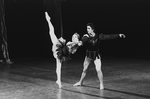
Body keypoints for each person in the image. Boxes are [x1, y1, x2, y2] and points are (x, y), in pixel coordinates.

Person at [73, 22, 125, 89]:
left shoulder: (98, 36)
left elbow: (108, 37)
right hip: (88, 56)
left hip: (96, 55)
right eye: (87, 28)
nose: (87, 30)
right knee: (85, 69)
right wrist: (80, 43)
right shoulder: (86, 36)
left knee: (98, 69)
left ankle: (101, 84)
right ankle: (80, 82)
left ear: (93, 29)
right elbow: (83, 41)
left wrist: (119, 35)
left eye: (89, 28)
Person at [45, 12, 80, 88]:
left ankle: (48, 20)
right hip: (60, 50)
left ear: (77, 38)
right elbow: (68, 44)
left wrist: (77, 42)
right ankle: (59, 81)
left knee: (51, 32)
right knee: (51, 33)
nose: (73, 38)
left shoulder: (76, 43)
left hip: (62, 52)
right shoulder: (72, 42)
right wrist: (73, 43)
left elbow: (74, 48)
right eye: (73, 36)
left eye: (75, 37)